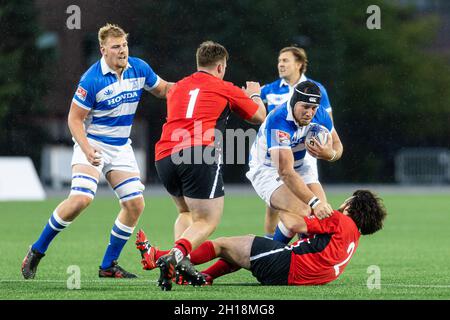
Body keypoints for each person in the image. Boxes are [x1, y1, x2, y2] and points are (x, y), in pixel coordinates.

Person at [21, 23, 173, 279]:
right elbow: (74, 119)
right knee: (81, 199)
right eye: (116, 47)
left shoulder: (139, 68)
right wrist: (87, 148)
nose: (122, 51)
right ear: (103, 50)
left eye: (124, 45)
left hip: (121, 146)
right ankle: (37, 250)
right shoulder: (91, 79)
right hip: (92, 142)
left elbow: (165, 90)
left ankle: (108, 265)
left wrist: (196, 89)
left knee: (135, 204)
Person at [152, 40, 266, 290]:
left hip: (164, 154)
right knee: (207, 221)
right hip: (198, 152)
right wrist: (254, 94)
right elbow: (260, 117)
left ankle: (180, 267)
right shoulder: (224, 87)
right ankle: (175, 256)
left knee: (186, 213)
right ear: (221, 66)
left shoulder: (179, 86)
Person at [137, 189, 387, 286]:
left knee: (223, 244)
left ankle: (158, 257)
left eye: (349, 200)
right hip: (301, 276)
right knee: (241, 251)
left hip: (289, 267)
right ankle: (203, 277)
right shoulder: (353, 236)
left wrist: (277, 195)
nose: (343, 202)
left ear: (353, 207)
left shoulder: (340, 219)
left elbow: (291, 222)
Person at [246, 81, 343, 246]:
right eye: (305, 107)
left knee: (322, 215)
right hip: (268, 169)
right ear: (293, 102)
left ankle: (298, 254)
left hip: (300, 165)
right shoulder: (279, 119)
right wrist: (315, 203)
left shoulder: (320, 114)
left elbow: (338, 146)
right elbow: (285, 172)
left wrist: (330, 154)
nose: (309, 113)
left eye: (313, 108)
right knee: (305, 210)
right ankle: (270, 252)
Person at [260, 46, 342, 237]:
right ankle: (270, 246)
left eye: (285, 60)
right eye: (279, 60)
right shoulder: (271, 88)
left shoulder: (317, 89)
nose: (280, 64)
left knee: (308, 210)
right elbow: (249, 105)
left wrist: (328, 151)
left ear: (299, 64)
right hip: (277, 151)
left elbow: (327, 126)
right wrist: (253, 96)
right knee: (277, 209)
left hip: (305, 155)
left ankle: (298, 250)